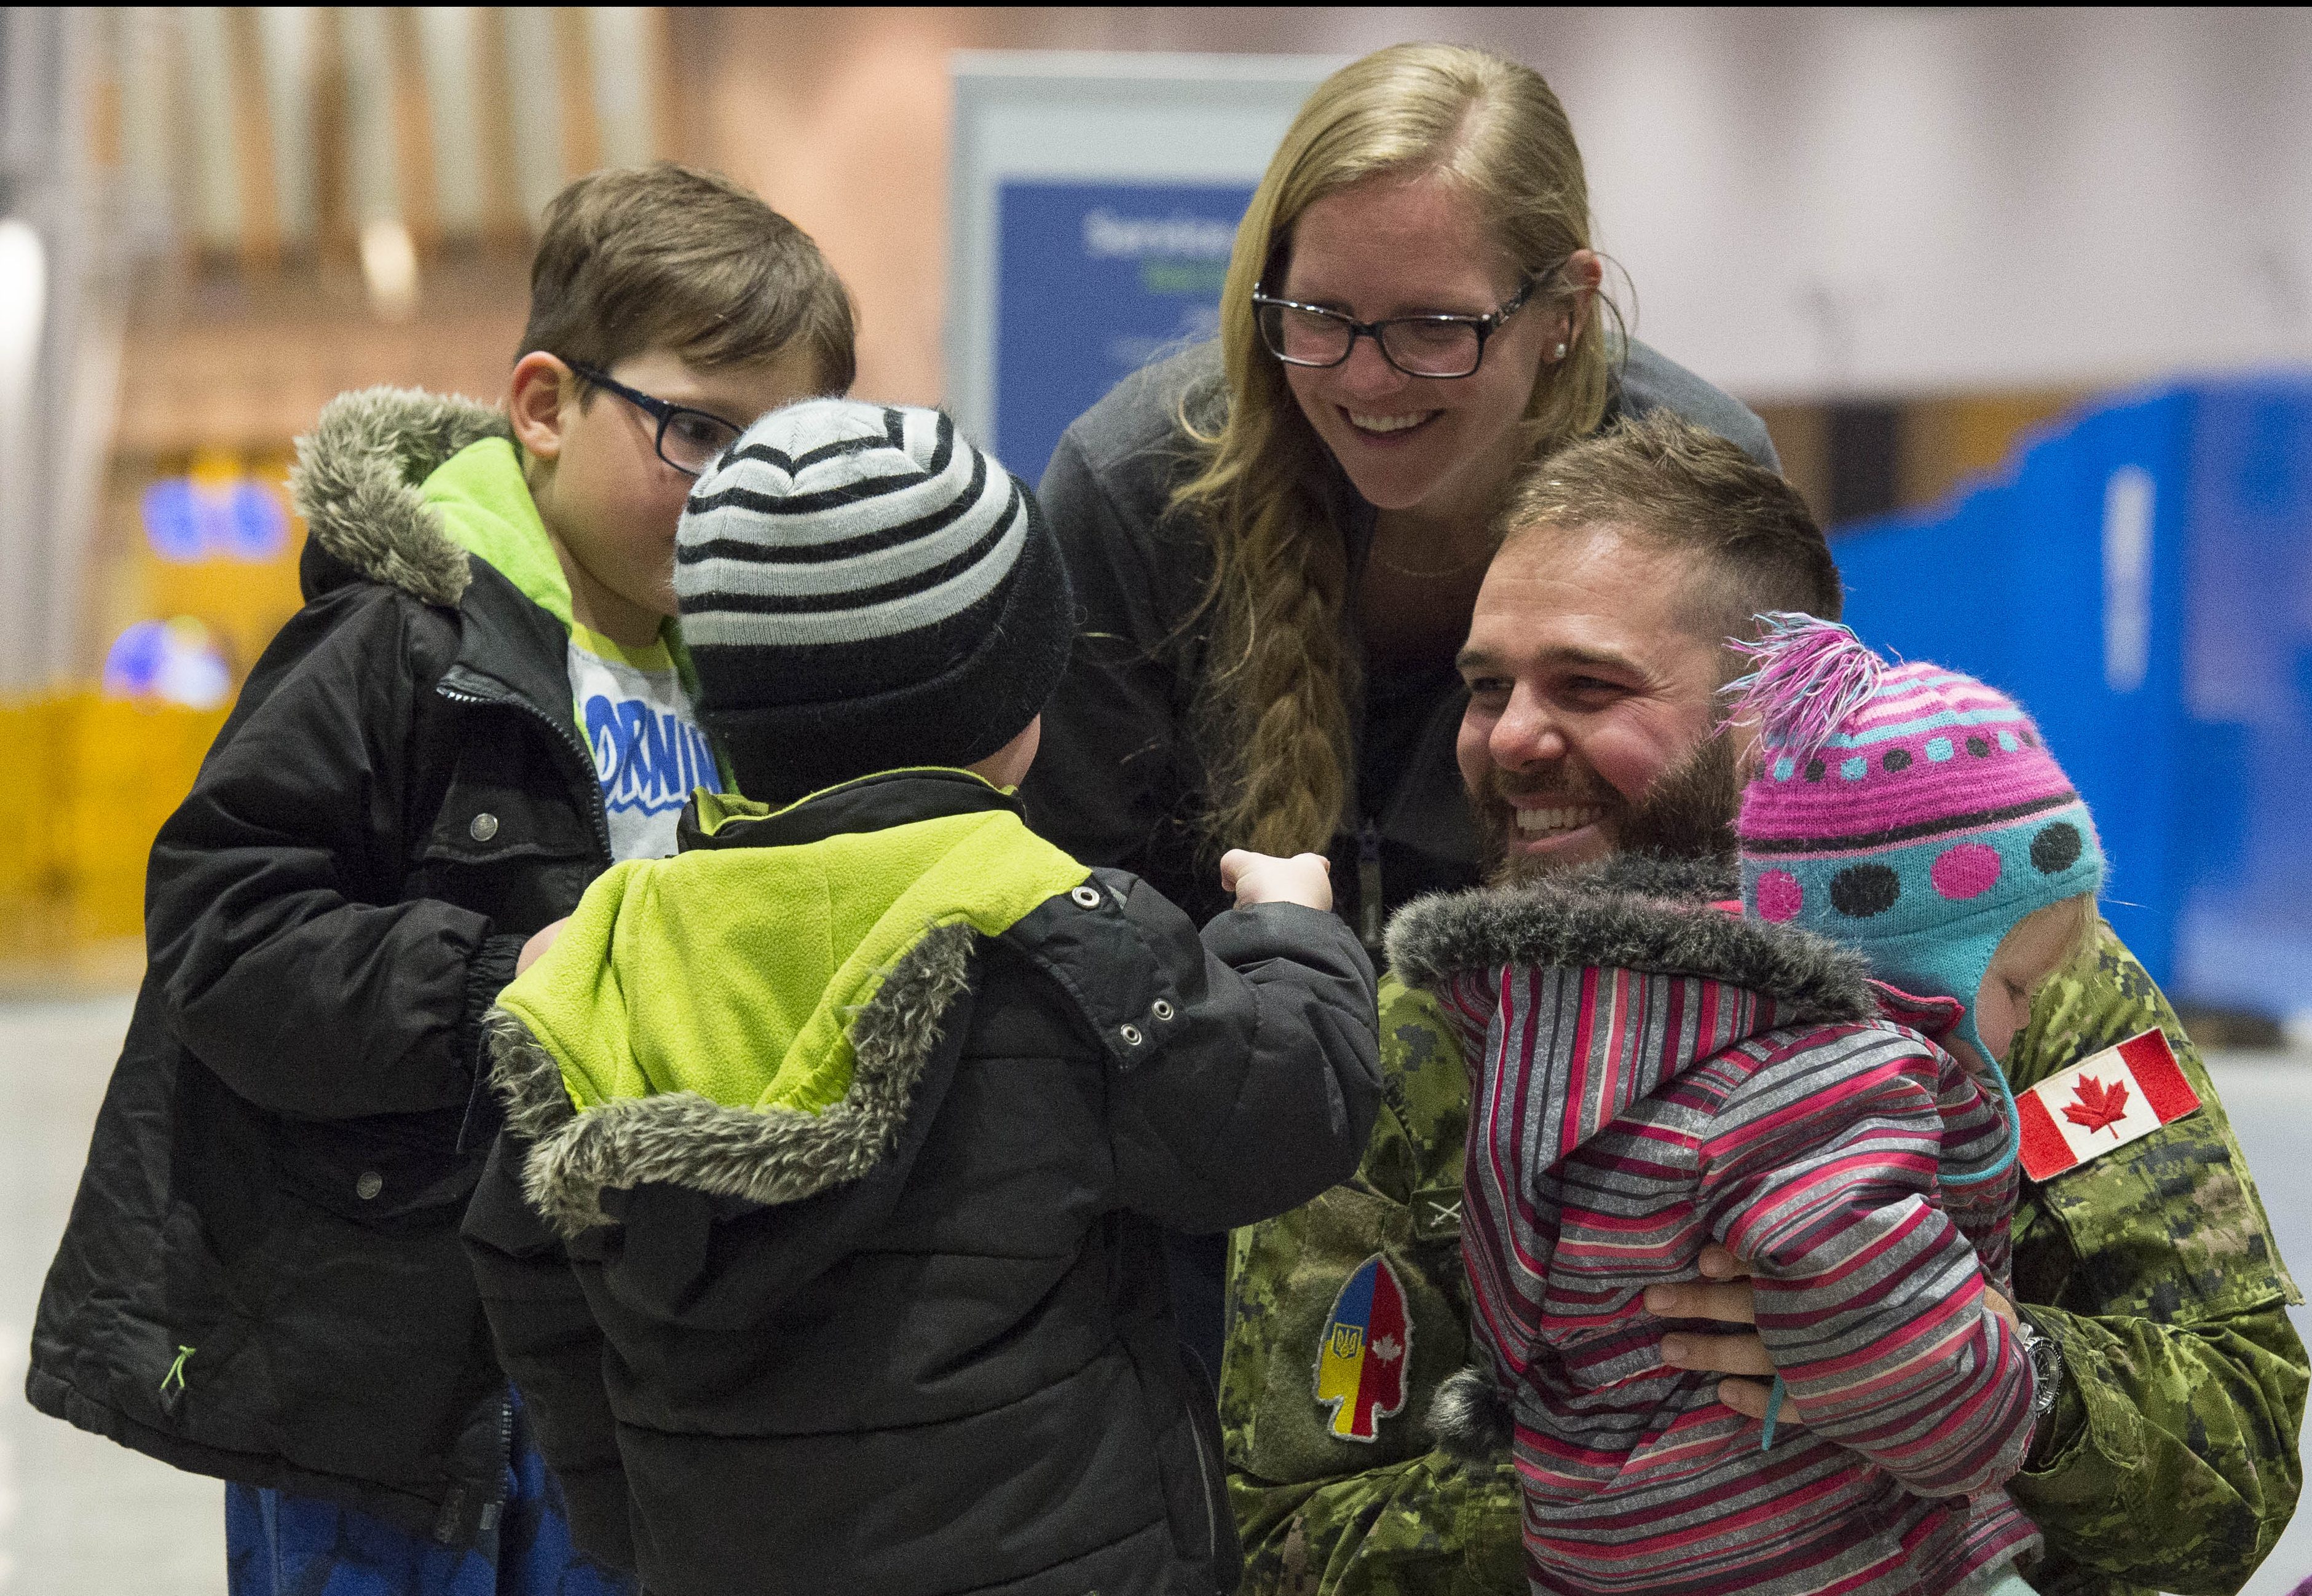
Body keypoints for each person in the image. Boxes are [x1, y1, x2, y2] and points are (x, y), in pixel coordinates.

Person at [1221, 415, 2308, 1596]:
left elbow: (2240, 1469)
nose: (1510, 736)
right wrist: (1668, 1453)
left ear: (1770, 721)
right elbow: (1288, 1543)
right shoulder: (1412, 1045)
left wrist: (1962, 1364)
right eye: (1487, 688)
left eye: (1587, 686)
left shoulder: (2014, 985)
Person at [26, 163, 853, 1596]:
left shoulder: (749, 690)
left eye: (784, 452)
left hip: (638, 1345)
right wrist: (493, 986)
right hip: (399, 1380)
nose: (737, 492)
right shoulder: (397, 648)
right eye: (697, 432)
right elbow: (226, 935)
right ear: (545, 406)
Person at [458, 398, 1384, 1596]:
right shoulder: (1060, 936)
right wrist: (1288, 932)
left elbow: (522, 1263)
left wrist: (630, 1515)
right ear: (1016, 704)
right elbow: (1286, 1114)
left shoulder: (607, 959)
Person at [1022, 38, 1776, 1373]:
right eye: (1317, 316)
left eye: (1434, 327)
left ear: (1563, 309)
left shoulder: (1695, 493)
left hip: (1593, 1194)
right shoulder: (1140, 489)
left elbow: (1759, 887)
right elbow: (1072, 915)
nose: (1365, 380)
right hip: (1206, 1204)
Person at [1392, 600, 2110, 1596]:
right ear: (1934, 955)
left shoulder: (1643, 1027)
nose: (2028, 1018)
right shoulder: (1832, 1079)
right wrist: (2007, 1403)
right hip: (1804, 1545)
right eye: (2018, 984)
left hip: (1624, 1534)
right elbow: (1898, 1336)